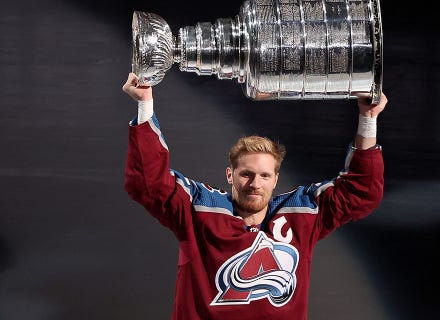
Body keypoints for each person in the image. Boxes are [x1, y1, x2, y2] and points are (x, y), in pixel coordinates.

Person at [122, 72, 387, 320]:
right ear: (230, 175)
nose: (254, 184)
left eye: (264, 176)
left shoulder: (302, 214)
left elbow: (360, 192)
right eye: (246, 174)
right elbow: (148, 183)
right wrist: (145, 105)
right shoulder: (199, 209)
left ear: (276, 180)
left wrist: (368, 117)